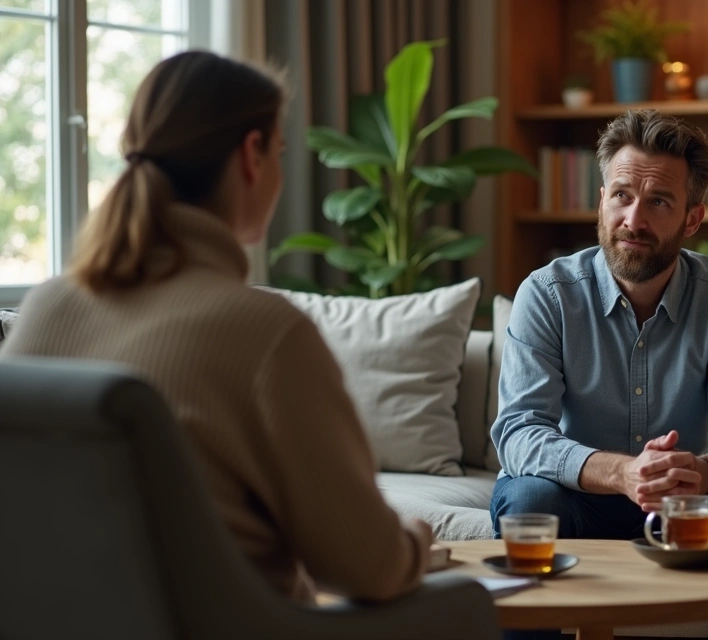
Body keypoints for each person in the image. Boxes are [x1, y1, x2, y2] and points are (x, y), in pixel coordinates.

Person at [0, 51, 432, 604]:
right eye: (279, 153)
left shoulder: (45, 308)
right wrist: (417, 539)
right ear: (251, 155)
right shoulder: (267, 334)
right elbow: (371, 568)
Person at [490, 109, 708, 558]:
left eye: (659, 201)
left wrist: (704, 473)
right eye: (621, 195)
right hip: (577, 494)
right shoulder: (547, 294)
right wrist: (621, 473)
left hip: (684, 503)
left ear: (692, 219)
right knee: (528, 498)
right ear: (602, 201)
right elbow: (520, 430)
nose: (634, 220)